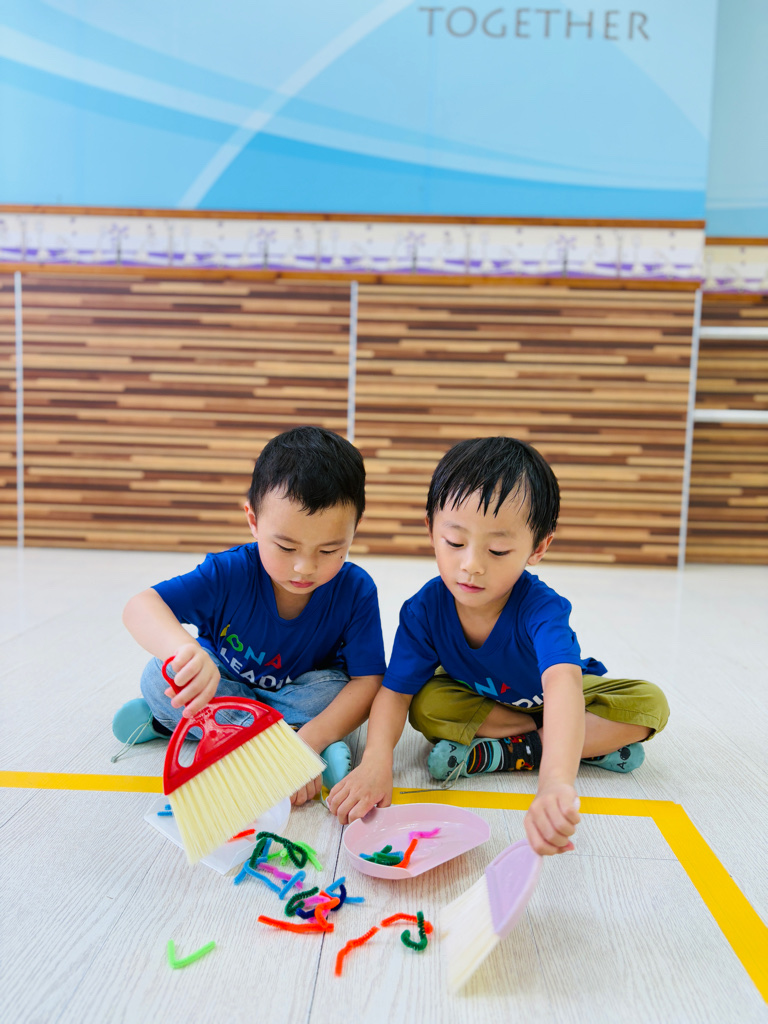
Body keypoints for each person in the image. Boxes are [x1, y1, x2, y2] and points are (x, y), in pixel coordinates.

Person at [327, 436, 669, 854]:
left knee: (650, 704)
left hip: (557, 703)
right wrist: (375, 762)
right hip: (487, 706)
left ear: (538, 547)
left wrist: (554, 784)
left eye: (498, 550)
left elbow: (563, 687)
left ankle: (513, 753)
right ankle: (583, 747)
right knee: (427, 704)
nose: (471, 565)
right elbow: (395, 694)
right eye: (455, 543)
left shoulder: (541, 608)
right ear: (431, 529)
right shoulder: (424, 610)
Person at [112, 425, 386, 805]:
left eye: (329, 550)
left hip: (296, 695)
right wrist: (184, 652)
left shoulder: (356, 589)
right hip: (225, 684)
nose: (305, 567)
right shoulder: (229, 572)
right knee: (160, 676)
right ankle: (274, 738)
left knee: (336, 691)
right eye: (286, 547)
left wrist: (311, 740)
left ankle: (201, 730)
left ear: (355, 530)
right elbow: (140, 606)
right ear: (253, 521)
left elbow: (368, 681)